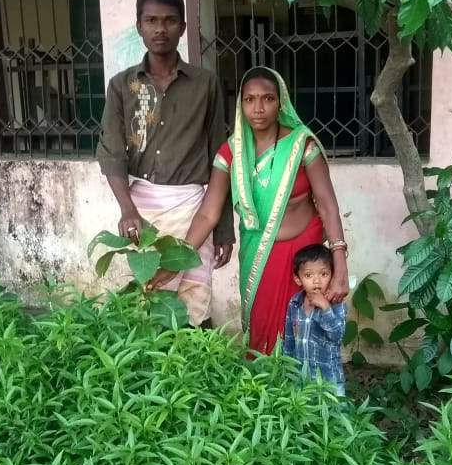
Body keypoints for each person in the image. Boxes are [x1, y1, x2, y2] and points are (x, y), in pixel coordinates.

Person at [149, 66, 349, 353]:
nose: (258, 108)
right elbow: (208, 214)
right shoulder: (230, 153)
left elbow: (328, 206)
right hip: (258, 257)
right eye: (249, 99)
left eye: (267, 99)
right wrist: (175, 262)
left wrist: (340, 264)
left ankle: (306, 397)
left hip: (303, 262)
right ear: (240, 104)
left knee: (303, 333)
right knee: (261, 336)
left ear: (280, 102)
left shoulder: (301, 146)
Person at [96, 0, 234, 326]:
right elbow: (112, 149)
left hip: (194, 210)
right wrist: (128, 211)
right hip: (142, 214)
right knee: (146, 302)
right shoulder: (121, 85)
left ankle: (197, 374)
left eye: (170, 20)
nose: (160, 29)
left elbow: (221, 155)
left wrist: (224, 230)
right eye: (152, 20)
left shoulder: (206, 84)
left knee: (193, 305)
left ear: (183, 27)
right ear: (139, 26)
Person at [283, 244, 347, 394]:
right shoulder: (294, 303)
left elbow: (337, 336)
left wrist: (326, 308)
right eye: (308, 275)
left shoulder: (336, 304)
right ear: (298, 279)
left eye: (324, 274)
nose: (316, 281)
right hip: (301, 379)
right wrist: (287, 368)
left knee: (335, 415)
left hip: (329, 380)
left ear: (332, 276)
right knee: (306, 415)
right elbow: (289, 339)